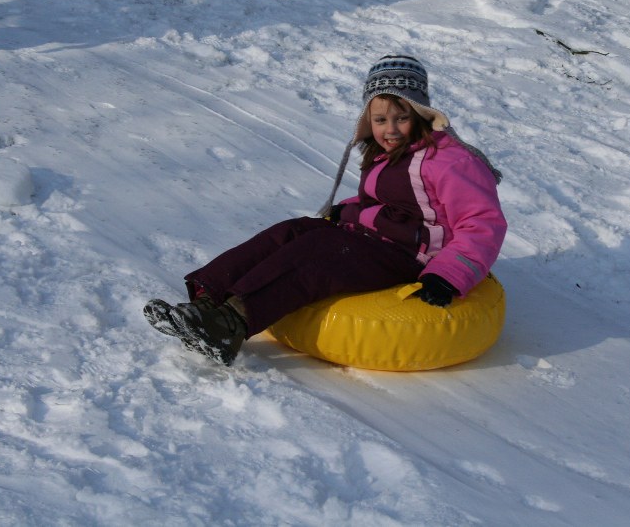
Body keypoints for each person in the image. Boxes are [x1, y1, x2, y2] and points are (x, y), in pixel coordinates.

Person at [143, 55, 507, 366]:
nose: (391, 129)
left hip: (410, 255)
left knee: (317, 252)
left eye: (401, 117)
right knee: (293, 230)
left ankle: (229, 324)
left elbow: (482, 222)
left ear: (421, 114)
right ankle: (207, 302)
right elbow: (384, 203)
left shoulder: (451, 161)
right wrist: (345, 212)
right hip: (376, 241)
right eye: (380, 120)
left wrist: (448, 275)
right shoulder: (390, 154)